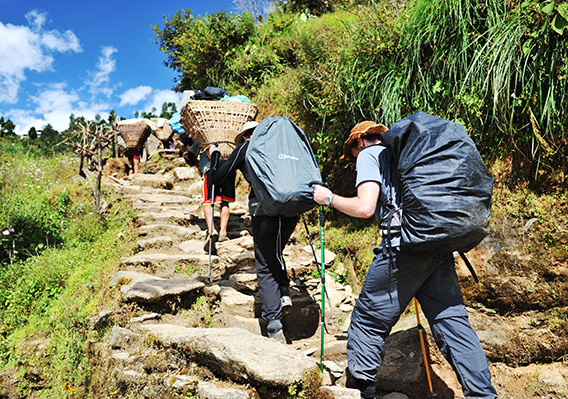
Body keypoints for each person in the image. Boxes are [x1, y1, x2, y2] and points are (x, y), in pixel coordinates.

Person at [313, 121, 498, 399]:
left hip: (402, 251)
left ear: (360, 141)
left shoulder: (369, 155)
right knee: (452, 321)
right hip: (437, 247)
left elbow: (365, 208)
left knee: (367, 320)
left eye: (351, 152)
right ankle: (483, 395)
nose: (353, 159)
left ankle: (363, 392)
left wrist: (329, 198)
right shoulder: (408, 156)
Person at [208, 121, 294, 344]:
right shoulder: (280, 146)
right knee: (276, 251)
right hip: (292, 207)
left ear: (246, 135)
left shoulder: (247, 147)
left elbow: (216, 178)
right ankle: (283, 292)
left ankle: (274, 327)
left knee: (264, 264)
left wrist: (215, 155)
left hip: (265, 210)